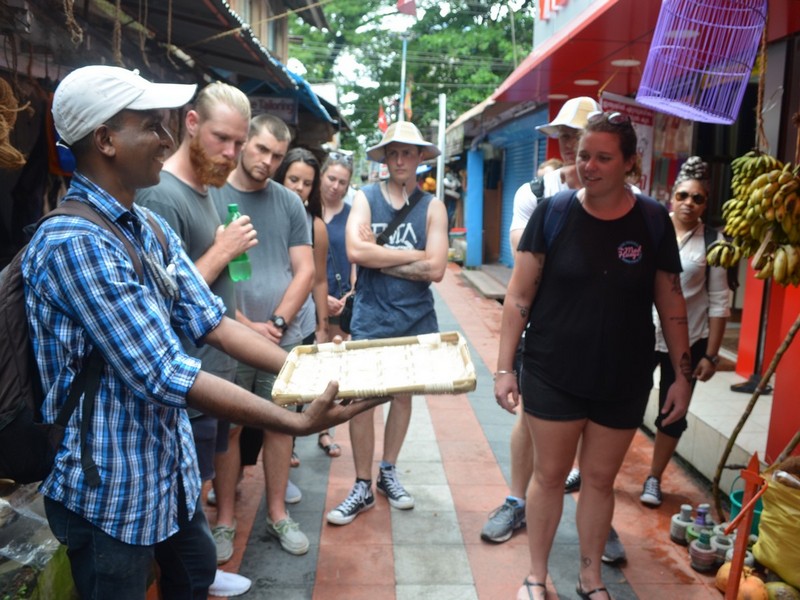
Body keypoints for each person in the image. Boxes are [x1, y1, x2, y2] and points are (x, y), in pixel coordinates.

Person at [24, 65, 387, 599]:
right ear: (104, 140)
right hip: (108, 491)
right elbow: (165, 373)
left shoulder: (145, 226)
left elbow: (210, 321)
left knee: (193, 577)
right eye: (150, 125)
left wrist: (307, 366)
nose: (167, 139)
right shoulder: (75, 243)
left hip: (164, 475)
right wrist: (298, 421)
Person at [493, 111, 692, 600]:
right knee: (549, 475)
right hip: (552, 369)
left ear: (630, 163)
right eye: (584, 155)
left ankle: (590, 577)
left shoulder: (651, 221)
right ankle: (536, 576)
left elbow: (671, 302)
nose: (590, 166)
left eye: (604, 157)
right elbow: (519, 296)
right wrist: (503, 368)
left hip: (623, 377)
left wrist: (682, 378)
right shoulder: (554, 213)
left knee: (600, 481)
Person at [135, 80, 253, 591]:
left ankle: (198, 571)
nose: (231, 153)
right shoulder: (161, 196)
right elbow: (158, 302)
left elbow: (214, 304)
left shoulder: (212, 189)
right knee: (182, 490)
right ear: (190, 124)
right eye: (222, 139)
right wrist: (223, 251)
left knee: (197, 481)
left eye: (238, 144)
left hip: (214, 366)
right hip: (182, 376)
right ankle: (190, 577)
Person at [482, 97, 599, 544]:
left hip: (599, 333)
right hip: (545, 331)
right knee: (529, 419)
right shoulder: (534, 193)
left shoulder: (627, 200)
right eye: (565, 136)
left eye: (579, 135)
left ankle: (596, 516)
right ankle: (516, 501)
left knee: (598, 427)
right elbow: (523, 264)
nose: (570, 145)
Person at [325, 121, 449, 526]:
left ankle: (388, 471)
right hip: (371, 316)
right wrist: (407, 255)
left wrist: (380, 252)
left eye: (408, 153)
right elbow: (355, 251)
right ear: (385, 157)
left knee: (402, 395)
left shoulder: (433, 206)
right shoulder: (365, 197)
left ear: (419, 159)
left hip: (415, 318)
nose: (400, 159)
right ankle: (361, 482)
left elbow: (437, 269)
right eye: (393, 152)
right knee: (361, 399)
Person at [215, 113, 316, 556]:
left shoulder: (289, 203)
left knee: (281, 426)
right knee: (229, 427)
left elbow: (306, 269)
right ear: (244, 143)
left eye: (277, 155)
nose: (268, 161)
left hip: (284, 336)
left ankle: (278, 512)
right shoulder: (214, 195)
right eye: (261, 149)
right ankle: (223, 519)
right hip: (225, 332)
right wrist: (242, 324)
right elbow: (206, 268)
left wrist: (275, 324)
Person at [641, 156, 731, 507]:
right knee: (618, 399)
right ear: (671, 198)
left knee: (673, 411)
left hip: (688, 343)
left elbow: (720, 302)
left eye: (698, 198)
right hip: (641, 333)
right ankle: (592, 470)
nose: (688, 204)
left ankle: (653, 477)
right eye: (683, 196)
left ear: (706, 203)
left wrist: (711, 353)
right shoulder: (650, 228)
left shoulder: (714, 241)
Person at [274, 147, 341, 457]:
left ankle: (291, 449)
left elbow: (319, 279)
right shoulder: (266, 212)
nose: (299, 188)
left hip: (299, 322)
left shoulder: (315, 225)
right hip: (259, 319)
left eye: (306, 183)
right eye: (293, 179)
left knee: (298, 388)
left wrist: (322, 326)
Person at [320, 153, 356, 341]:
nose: (335, 186)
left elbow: (356, 259)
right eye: (331, 178)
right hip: (308, 302)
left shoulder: (353, 215)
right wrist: (319, 296)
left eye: (342, 182)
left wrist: (351, 295)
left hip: (340, 303)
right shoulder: (303, 211)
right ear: (321, 175)